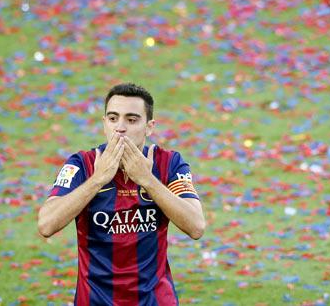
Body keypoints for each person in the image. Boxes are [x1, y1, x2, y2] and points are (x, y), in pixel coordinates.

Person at [38, 83, 205, 306]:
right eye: (113, 118)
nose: (120, 127)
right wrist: (97, 179)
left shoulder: (169, 163)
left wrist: (146, 179)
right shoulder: (82, 165)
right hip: (95, 300)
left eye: (132, 119)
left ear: (149, 127)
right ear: (104, 123)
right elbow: (47, 224)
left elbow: (196, 226)